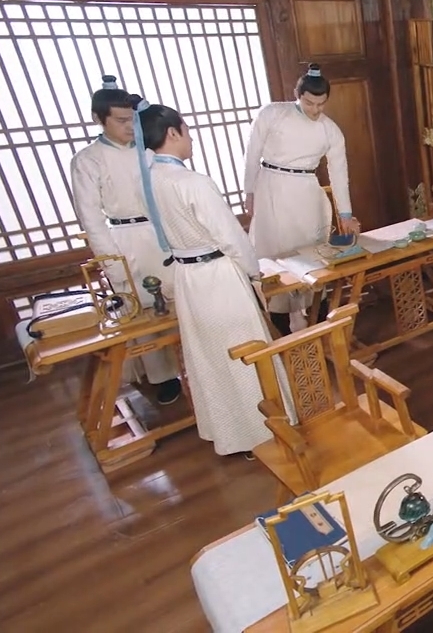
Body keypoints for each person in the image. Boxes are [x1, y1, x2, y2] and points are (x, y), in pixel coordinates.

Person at [134, 98, 290, 458]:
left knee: (212, 360)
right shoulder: (192, 182)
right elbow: (230, 236)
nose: (191, 138)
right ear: (172, 133)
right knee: (246, 354)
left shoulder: (149, 181)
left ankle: (229, 434)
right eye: (186, 131)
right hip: (217, 276)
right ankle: (261, 434)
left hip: (187, 278)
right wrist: (253, 272)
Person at [70, 75, 182, 405]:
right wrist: (110, 262)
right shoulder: (88, 160)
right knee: (144, 309)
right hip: (126, 237)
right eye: (120, 121)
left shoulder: (148, 150)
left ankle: (193, 366)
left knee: (180, 299)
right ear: (98, 118)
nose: (129, 127)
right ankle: (164, 377)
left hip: (164, 230)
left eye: (132, 120)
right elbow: (91, 218)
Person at [244, 63, 359, 336]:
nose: (315, 110)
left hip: (306, 189)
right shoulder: (273, 113)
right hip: (272, 186)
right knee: (276, 253)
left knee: (311, 252)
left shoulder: (330, 130)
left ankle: (318, 315)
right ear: (298, 95)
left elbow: (339, 173)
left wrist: (345, 214)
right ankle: (281, 324)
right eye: (309, 103)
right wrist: (249, 191)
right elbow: (252, 152)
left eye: (321, 104)